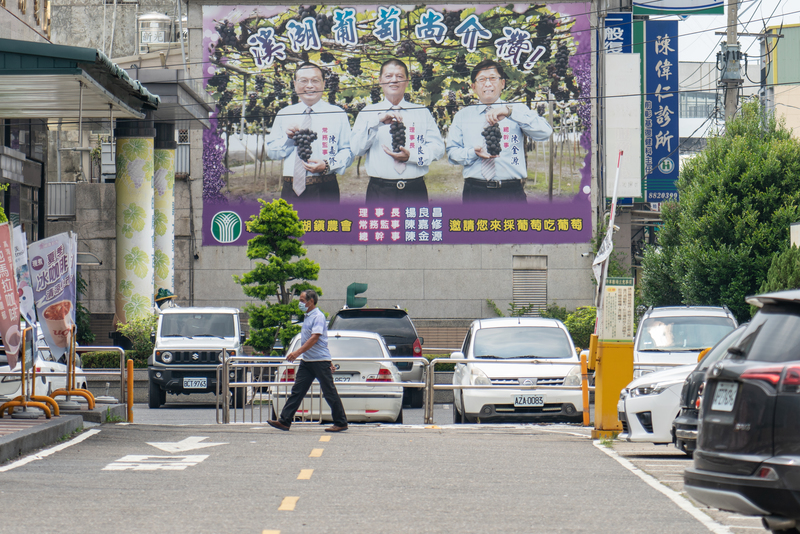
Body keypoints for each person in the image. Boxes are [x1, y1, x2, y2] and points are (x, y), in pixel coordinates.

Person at [446, 59, 553, 203]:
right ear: (473, 86)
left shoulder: (517, 110)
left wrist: (510, 113)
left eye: (493, 78)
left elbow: (545, 132)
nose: (488, 84)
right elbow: (452, 153)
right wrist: (472, 153)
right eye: (482, 79)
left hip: (511, 193)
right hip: (475, 192)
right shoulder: (462, 116)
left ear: (502, 83)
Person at [351, 59, 444, 203]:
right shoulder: (367, 113)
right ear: (380, 80)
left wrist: (412, 156)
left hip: (415, 190)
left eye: (399, 77)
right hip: (379, 192)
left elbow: (438, 149)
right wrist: (377, 122)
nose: (394, 80)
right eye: (388, 76)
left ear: (407, 81)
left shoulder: (421, 112)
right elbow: (357, 149)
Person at [266, 63, 353, 203]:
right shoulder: (284, 114)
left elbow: (348, 151)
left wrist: (327, 165)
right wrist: (288, 139)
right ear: (295, 84)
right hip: (291, 189)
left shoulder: (337, 114)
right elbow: (272, 152)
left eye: (315, 80)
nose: (310, 85)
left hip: (326, 188)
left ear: (324, 84)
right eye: (303, 81)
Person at [267, 290, 348, 432]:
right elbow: (322, 342)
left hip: (318, 361)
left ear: (311, 301)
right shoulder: (308, 316)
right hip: (308, 361)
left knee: (329, 391)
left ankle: (341, 422)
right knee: (297, 391)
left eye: (303, 300)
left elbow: (315, 338)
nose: (300, 303)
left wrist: (297, 352)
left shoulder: (318, 316)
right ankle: (285, 421)